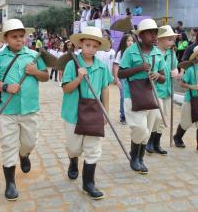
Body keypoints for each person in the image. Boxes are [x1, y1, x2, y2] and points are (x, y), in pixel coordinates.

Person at [0, 19, 49, 201]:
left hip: (30, 109)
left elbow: (45, 77)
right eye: (14, 37)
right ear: (5, 38)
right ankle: (10, 183)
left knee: (30, 142)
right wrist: (5, 87)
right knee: (8, 145)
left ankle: (24, 154)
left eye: (22, 36)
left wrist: (35, 72)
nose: (19, 40)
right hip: (7, 110)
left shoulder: (34, 55)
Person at [61, 26, 113, 199]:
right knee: (73, 147)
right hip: (73, 113)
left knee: (93, 149)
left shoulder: (102, 67)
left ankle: (88, 183)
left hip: (94, 111)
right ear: (80, 44)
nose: (91, 49)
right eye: (87, 45)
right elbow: (66, 89)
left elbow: (105, 88)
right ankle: (73, 160)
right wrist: (78, 77)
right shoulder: (71, 64)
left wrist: (105, 110)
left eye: (94, 46)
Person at [118, 19, 166, 174]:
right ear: (141, 35)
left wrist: (157, 75)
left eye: (155, 32)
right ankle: (134, 157)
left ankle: (140, 158)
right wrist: (139, 68)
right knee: (140, 129)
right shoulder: (130, 51)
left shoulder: (158, 53)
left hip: (151, 95)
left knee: (149, 128)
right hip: (133, 95)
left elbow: (164, 77)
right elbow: (120, 73)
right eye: (150, 33)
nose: (154, 36)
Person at [146, 26, 178, 155]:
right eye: (169, 39)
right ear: (159, 40)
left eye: (172, 40)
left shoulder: (172, 53)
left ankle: (156, 143)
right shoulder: (152, 53)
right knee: (157, 117)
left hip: (168, 90)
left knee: (164, 117)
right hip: (155, 90)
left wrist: (176, 72)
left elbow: (176, 68)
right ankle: (149, 140)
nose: (172, 42)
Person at [113, 34, 134, 124]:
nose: (130, 42)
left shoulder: (135, 52)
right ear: (124, 42)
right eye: (128, 41)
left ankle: (130, 115)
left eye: (132, 40)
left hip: (132, 79)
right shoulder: (120, 52)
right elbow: (116, 66)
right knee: (123, 97)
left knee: (131, 97)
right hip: (123, 78)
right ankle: (123, 116)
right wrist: (117, 79)